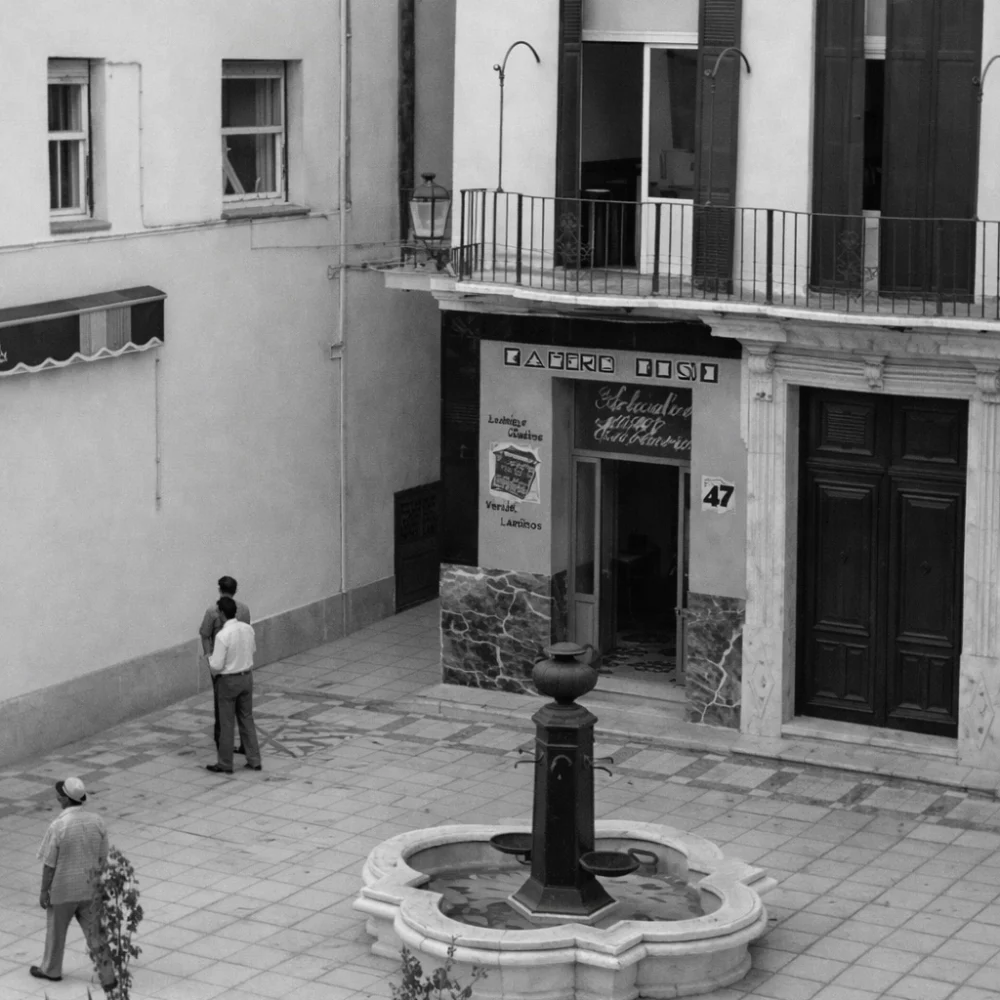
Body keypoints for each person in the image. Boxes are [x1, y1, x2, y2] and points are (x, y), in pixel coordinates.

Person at [31, 777, 117, 994]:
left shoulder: (58, 825)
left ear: (64, 800)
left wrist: (44, 891)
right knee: (96, 933)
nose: (57, 796)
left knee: (56, 933)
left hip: (62, 891)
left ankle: (51, 970)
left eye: (59, 794)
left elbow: (49, 864)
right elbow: (103, 856)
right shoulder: (97, 821)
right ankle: (108, 977)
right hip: (90, 888)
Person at [205, 595, 262, 774]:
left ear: (221, 613)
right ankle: (254, 759)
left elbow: (216, 665)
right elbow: (252, 650)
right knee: (247, 718)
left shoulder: (222, 635)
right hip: (246, 677)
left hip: (228, 681)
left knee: (227, 722)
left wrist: (209, 658)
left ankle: (225, 763)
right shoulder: (247, 629)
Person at [198, 576, 251, 754]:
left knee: (222, 708)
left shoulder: (213, 610)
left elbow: (205, 634)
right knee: (244, 711)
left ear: (219, 589)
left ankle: (223, 748)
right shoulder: (243, 609)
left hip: (221, 666)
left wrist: (209, 657)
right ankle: (247, 747)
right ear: (235, 591)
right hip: (240, 663)